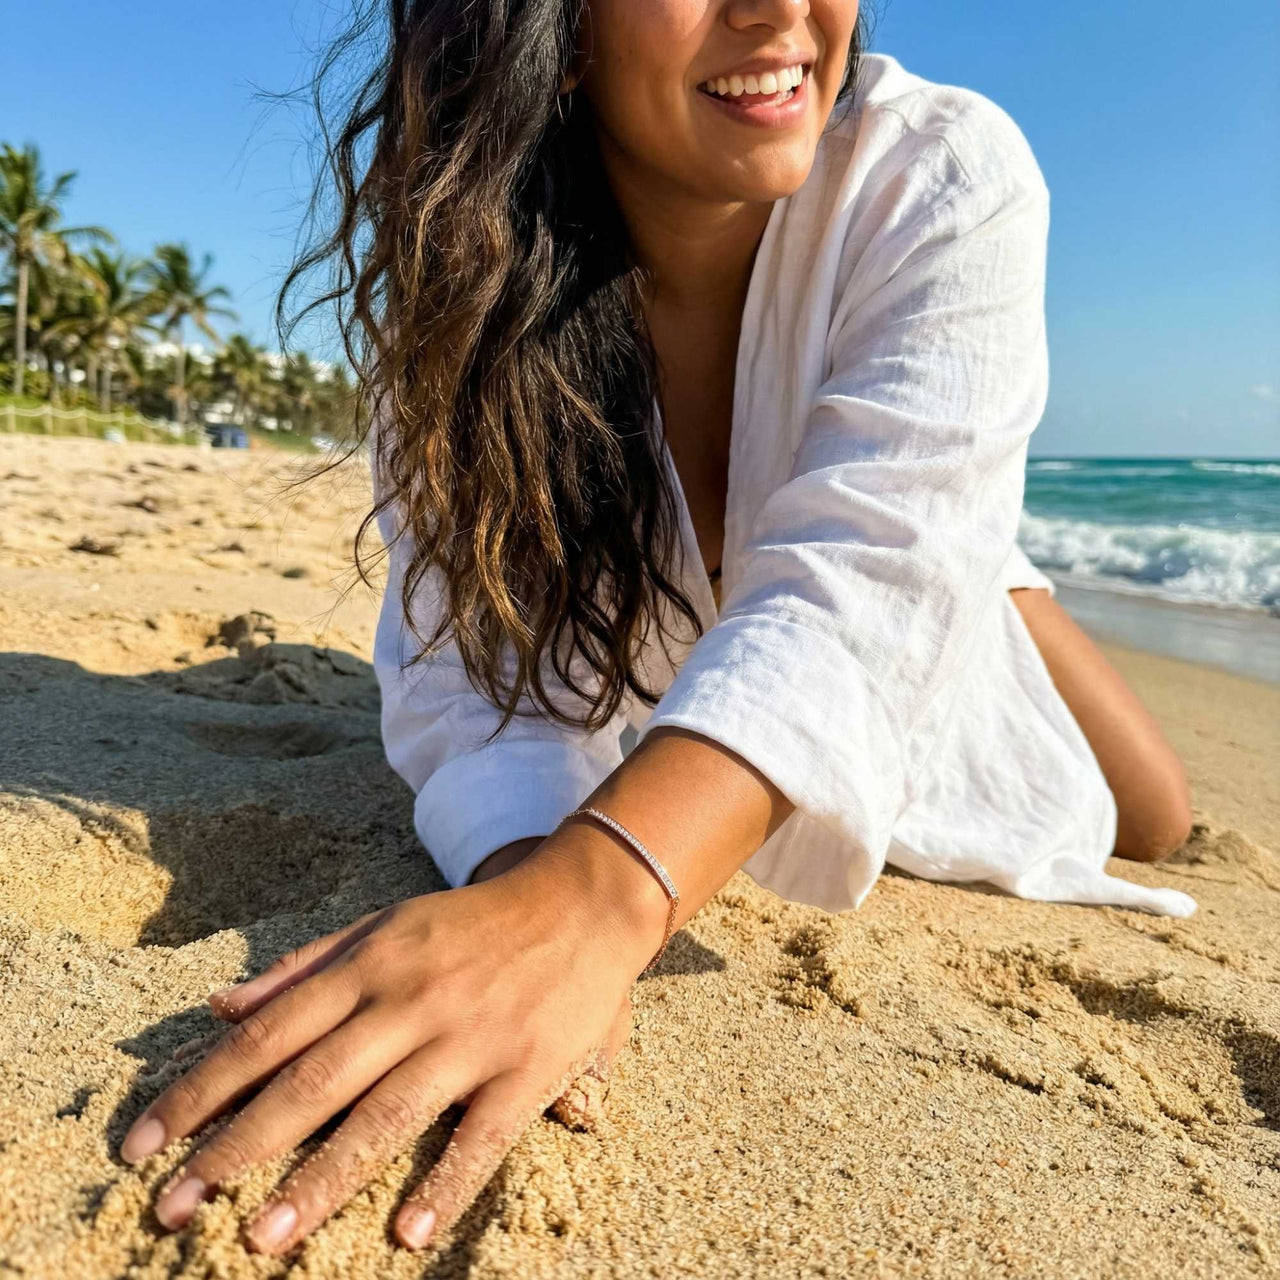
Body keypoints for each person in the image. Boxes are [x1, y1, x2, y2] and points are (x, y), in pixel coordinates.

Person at [121, 0, 1196, 1257]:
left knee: (1150, 814)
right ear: (554, 27)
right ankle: (925, 524)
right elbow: (456, 660)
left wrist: (604, 889)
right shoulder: (465, 254)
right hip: (821, 571)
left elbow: (854, 597)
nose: (777, 10)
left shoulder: (942, 169)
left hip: (866, 560)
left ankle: (974, 550)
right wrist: (529, 873)